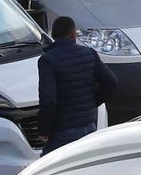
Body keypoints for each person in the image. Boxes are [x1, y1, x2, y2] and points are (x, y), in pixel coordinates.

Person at [37, 16, 117, 154]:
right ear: (73, 34)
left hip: (62, 129)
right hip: (88, 126)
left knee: (47, 169)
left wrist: (44, 130)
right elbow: (111, 82)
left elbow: (48, 100)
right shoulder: (89, 54)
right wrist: (92, 103)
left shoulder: (47, 60)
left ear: (53, 35)